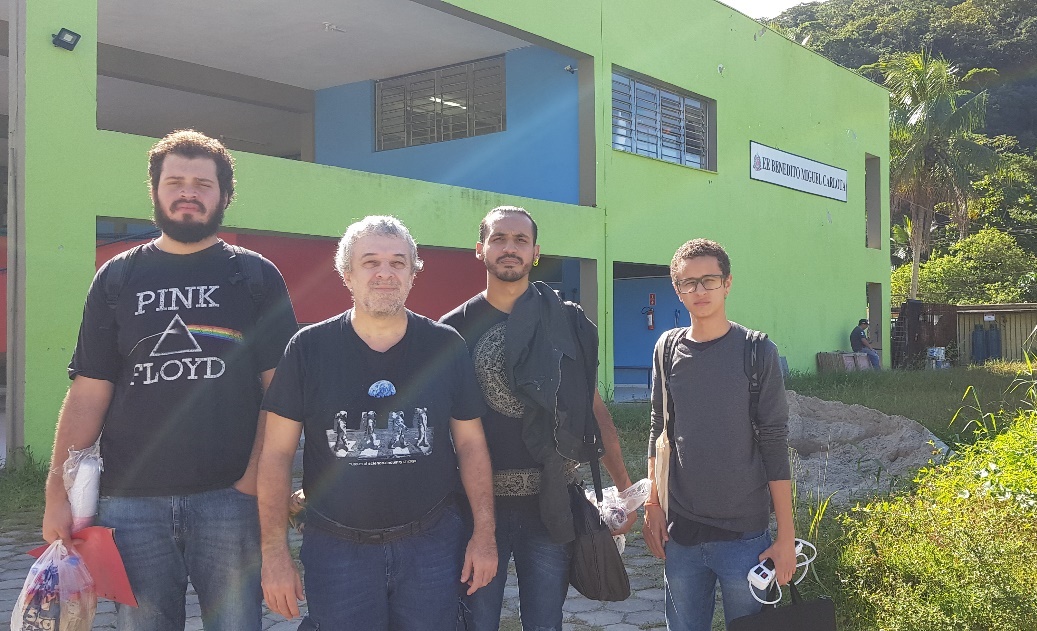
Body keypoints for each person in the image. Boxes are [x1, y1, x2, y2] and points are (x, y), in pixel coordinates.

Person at [42, 129, 299, 631]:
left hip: (231, 499)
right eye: (175, 181)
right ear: (155, 191)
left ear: (225, 195)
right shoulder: (117, 277)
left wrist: (253, 482)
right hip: (129, 502)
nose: (188, 193)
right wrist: (57, 487)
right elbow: (89, 391)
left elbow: (283, 393)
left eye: (203, 184)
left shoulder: (255, 276)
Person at [258, 216, 498, 630]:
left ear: (413, 273)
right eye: (370, 262)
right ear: (346, 273)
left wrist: (484, 535)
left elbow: (472, 445)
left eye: (398, 263)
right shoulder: (307, 349)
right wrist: (274, 555)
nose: (385, 273)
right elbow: (276, 455)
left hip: (431, 545)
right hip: (337, 550)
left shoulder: (444, 346)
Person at [440, 206, 638, 631]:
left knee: (545, 622)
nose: (509, 248)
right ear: (480, 249)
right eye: (498, 239)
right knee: (475, 621)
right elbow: (440, 428)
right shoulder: (451, 329)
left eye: (520, 240)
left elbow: (592, 409)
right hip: (476, 508)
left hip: (551, 502)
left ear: (536, 252)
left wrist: (624, 488)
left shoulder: (566, 322)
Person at [643, 239, 795, 631]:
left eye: (709, 280)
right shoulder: (666, 348)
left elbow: (775, 443)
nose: (699, 291)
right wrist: (653, 506)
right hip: (682, 536)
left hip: (744, 538)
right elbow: (659, 429)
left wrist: (785, 537)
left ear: (727, 283)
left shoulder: (756, 351)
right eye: (688, 283)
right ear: (677, 290)